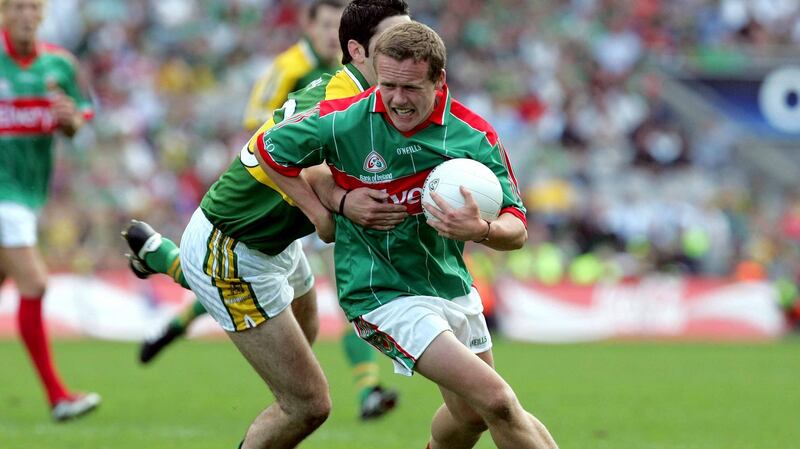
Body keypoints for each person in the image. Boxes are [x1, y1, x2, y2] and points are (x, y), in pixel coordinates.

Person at [256, 21, 560, 449]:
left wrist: (482, 230)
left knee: (471, 415)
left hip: (450, 285)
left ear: (439, 80)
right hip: (381, 292)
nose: (397, 99)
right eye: (388, 85)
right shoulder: (345, 119)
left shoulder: (473, 136)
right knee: (497, 400)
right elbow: (268, 149)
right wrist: (331, 208)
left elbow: (517, 228)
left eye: (411, 87)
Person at [125, 0, 410, 422]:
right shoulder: (294, 71)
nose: (329, 34)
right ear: (354, 47)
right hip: (262, 212)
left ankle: (168, 260)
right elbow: (268, 137)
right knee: (312, 385)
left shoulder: (375, 90)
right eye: (325, 25)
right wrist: (329, 206)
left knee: (307, 328)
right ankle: (363, 389)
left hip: (287, 228)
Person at [0, 0, 100, 421]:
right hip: (4, 196)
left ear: (42, 14)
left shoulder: (60, 65)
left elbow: (81, 116)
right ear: (3, 14)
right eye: (16, 7)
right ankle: (58, 396)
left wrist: (70, 121)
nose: (25, 14)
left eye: (32, 7)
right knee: (35, 283)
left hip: (28, 195)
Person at [243, 0, 344, 132]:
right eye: (327, 26)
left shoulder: (346, 65)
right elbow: (256, 117)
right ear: (311, 27)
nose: (333, 34)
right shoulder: (286, 66)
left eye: (339, 26)